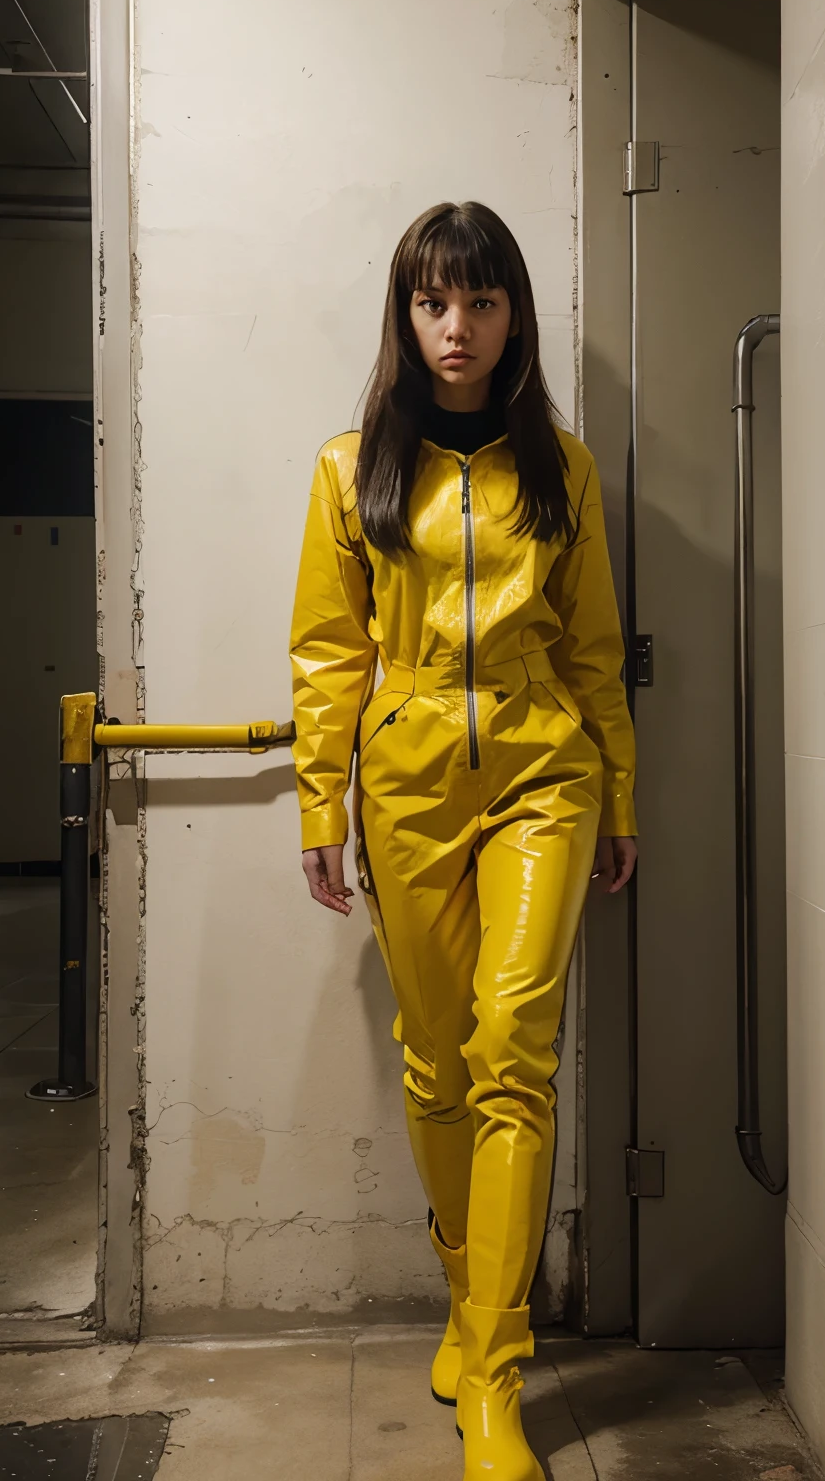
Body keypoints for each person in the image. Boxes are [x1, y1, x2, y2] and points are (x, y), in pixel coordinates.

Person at [290, 201, 636, 1481]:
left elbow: (595, 651)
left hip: (546, 772)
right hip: (410, 782)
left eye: (480, 302)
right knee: (436, 1063)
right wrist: (324, 804)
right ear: (406, 314)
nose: (457, 327)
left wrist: (624, 797)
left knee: (512, 1054)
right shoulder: (350, 467)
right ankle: (463, 1304)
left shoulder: (563, 465)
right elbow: (329, 656)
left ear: (511, 315)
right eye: (434, 303)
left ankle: (494, 1369)